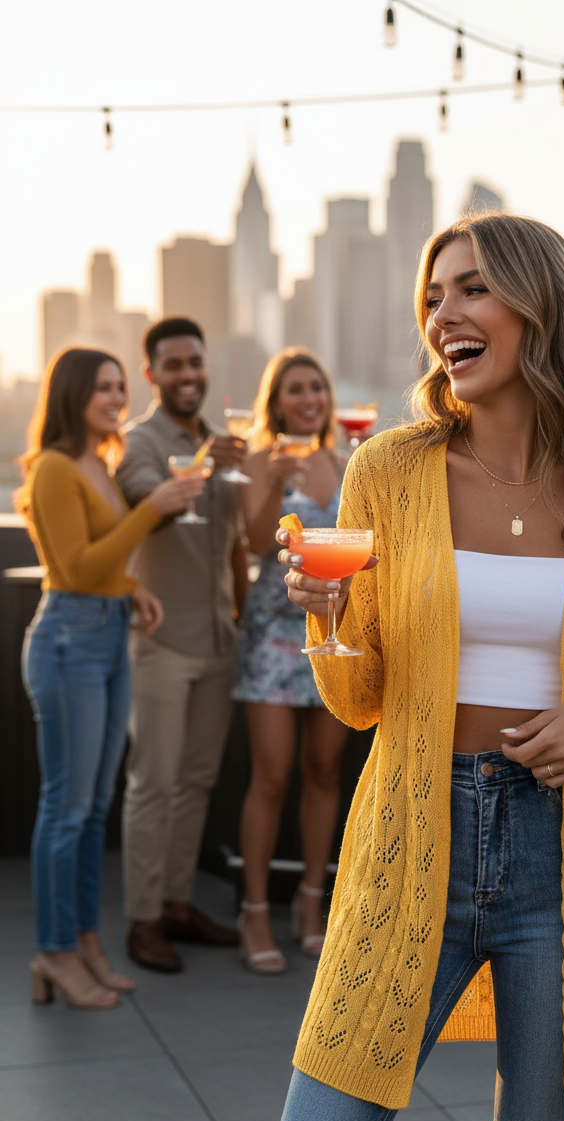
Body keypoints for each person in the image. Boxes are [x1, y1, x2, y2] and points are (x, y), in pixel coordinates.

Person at [264, 212, 564, 1121]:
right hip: (412, 838)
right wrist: (328, 616)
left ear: (540, 304)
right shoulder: (389, 469)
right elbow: (359, 699)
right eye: (433, 296)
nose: (444, 315)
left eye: (471, 289)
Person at [17, 347, 203, 1008]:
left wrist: (131, 590)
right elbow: (73, 565)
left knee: (95, 811)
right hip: (68, 640)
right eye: (102, 387)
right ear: (72, 394)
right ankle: (54, 953)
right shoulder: (55, 470)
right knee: (64, 811)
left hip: (106, 631)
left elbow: (102, 567)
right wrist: (153, 509)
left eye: (120, 386)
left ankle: (85, 943)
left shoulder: (100, 461)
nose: (115, 398)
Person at [116, 317, 248, 973]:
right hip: (161, 641)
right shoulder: (139, 441)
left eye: (194, 362)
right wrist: (203, 466)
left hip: (218, 638)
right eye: (173, 365)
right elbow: (151, 499)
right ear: (152, 375)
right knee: (153, 783)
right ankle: (142, 919)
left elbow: (236, 546)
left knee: (195, 782)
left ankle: (175, 904)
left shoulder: (217, 442)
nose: (187, 374)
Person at [232, 348, 349, 971]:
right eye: (296, 389)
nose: (309, 398)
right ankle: (253, 912)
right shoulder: (260, 461)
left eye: (317, 387)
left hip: (331, 634)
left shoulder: (346, 460)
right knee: (272, 776)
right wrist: (272, 480)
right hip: (274, 638)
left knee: (326, 772)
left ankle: (311, 902)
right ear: (276, 402)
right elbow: (253, 544)